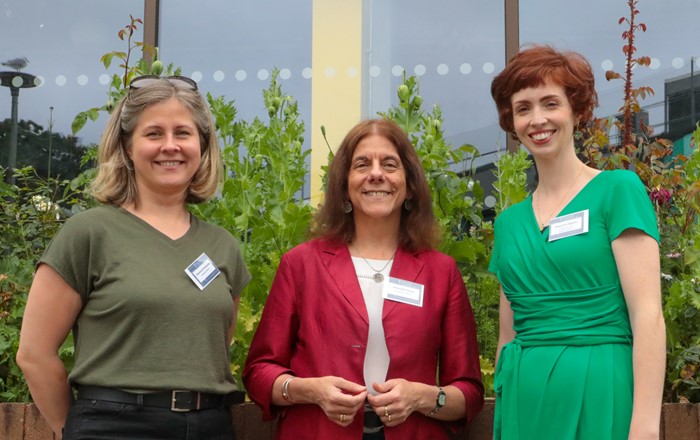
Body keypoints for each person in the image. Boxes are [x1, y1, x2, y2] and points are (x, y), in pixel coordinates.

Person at [16, 75, 251, 440]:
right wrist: (77, 431)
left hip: (210, 426)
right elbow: (33, 354)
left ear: (203, 146)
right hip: (114, 427)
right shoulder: (88, 233)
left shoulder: (223, 247)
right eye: (154, 133)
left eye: (183, 133)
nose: (169, 146)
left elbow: (213, 346)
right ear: (127, 146)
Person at [243, 119, 483, 440]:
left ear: (410, 184)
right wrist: (310, 390)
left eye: (389, 164)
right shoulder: (301, 265)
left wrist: (421, 398)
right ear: (344, 185)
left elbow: (468, 392)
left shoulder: (441, 272)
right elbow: (258, 372)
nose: (376, 174)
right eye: (361, 165)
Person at [488, 45, 666, 439]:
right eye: (523, 108)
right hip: (524, 400)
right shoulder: (508, 224)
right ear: (511, 121)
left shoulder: (617, 191)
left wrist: (645, 427)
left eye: (550, 103)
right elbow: (508, 337)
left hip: (602, 390)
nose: (538, 119)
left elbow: (648, 317)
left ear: (577, 110)